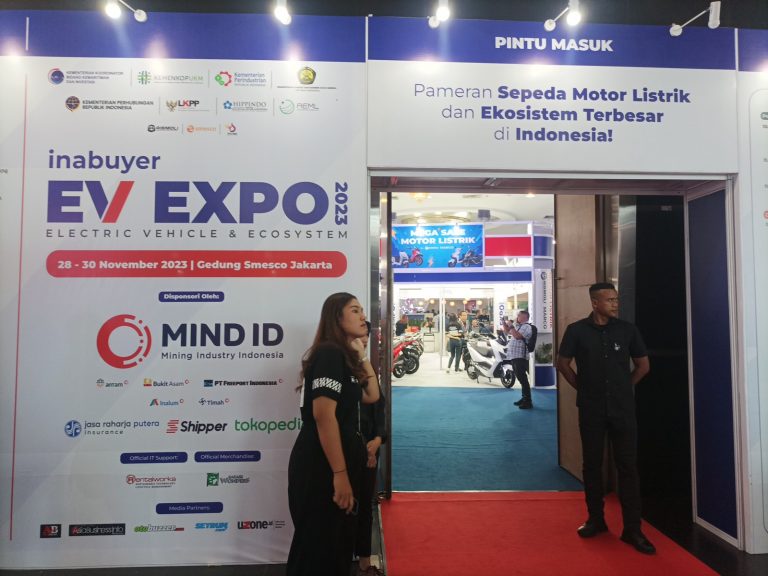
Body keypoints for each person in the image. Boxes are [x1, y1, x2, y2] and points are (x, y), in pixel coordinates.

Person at [555, 282, 655, 555]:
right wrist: (583, 388)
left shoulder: (627, 330)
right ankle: (596, 520)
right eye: (609, 300)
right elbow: (562, 363)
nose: (615, 303)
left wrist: (624, 386)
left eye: (616, 299)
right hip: (592, 409)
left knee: (628, 467)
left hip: (623, 410)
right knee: (592, 465)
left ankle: (632, 529)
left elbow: (643, 365)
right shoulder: (576, 331)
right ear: (595, 303)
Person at [287, 293, 381, 576]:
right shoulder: (329, 353)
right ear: (336, 318)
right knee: (318, 550)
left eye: (362, 310)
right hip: (321, 466)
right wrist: (339, 475)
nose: (363, 316)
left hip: (339, 462)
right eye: (355, 310)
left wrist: (361, 356)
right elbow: (323, 415)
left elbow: (372, 395)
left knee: (337, 548)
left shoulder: (345, 357)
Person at [354, 322, 387, 576]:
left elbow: (379, 412)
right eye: (359, 335)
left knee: (366, 506)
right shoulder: (336, 368)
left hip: (369, 451)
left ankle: (365, 561)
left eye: (366, 335)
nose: (363, 340)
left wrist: (376, 442)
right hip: (347, 451)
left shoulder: (369, 370)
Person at [504, 310, 534, 409]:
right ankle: (524, 398)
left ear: (524, 317)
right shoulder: (519, 326)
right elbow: (507, 332)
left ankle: (528, 401)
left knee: (523, 379)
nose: (517, 317)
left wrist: (511, 325)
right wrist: (504, 323)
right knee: (521, 379)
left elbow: (517, 336)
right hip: (515, 356)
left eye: (519, 315)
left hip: (520, 356)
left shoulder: (527, 327)